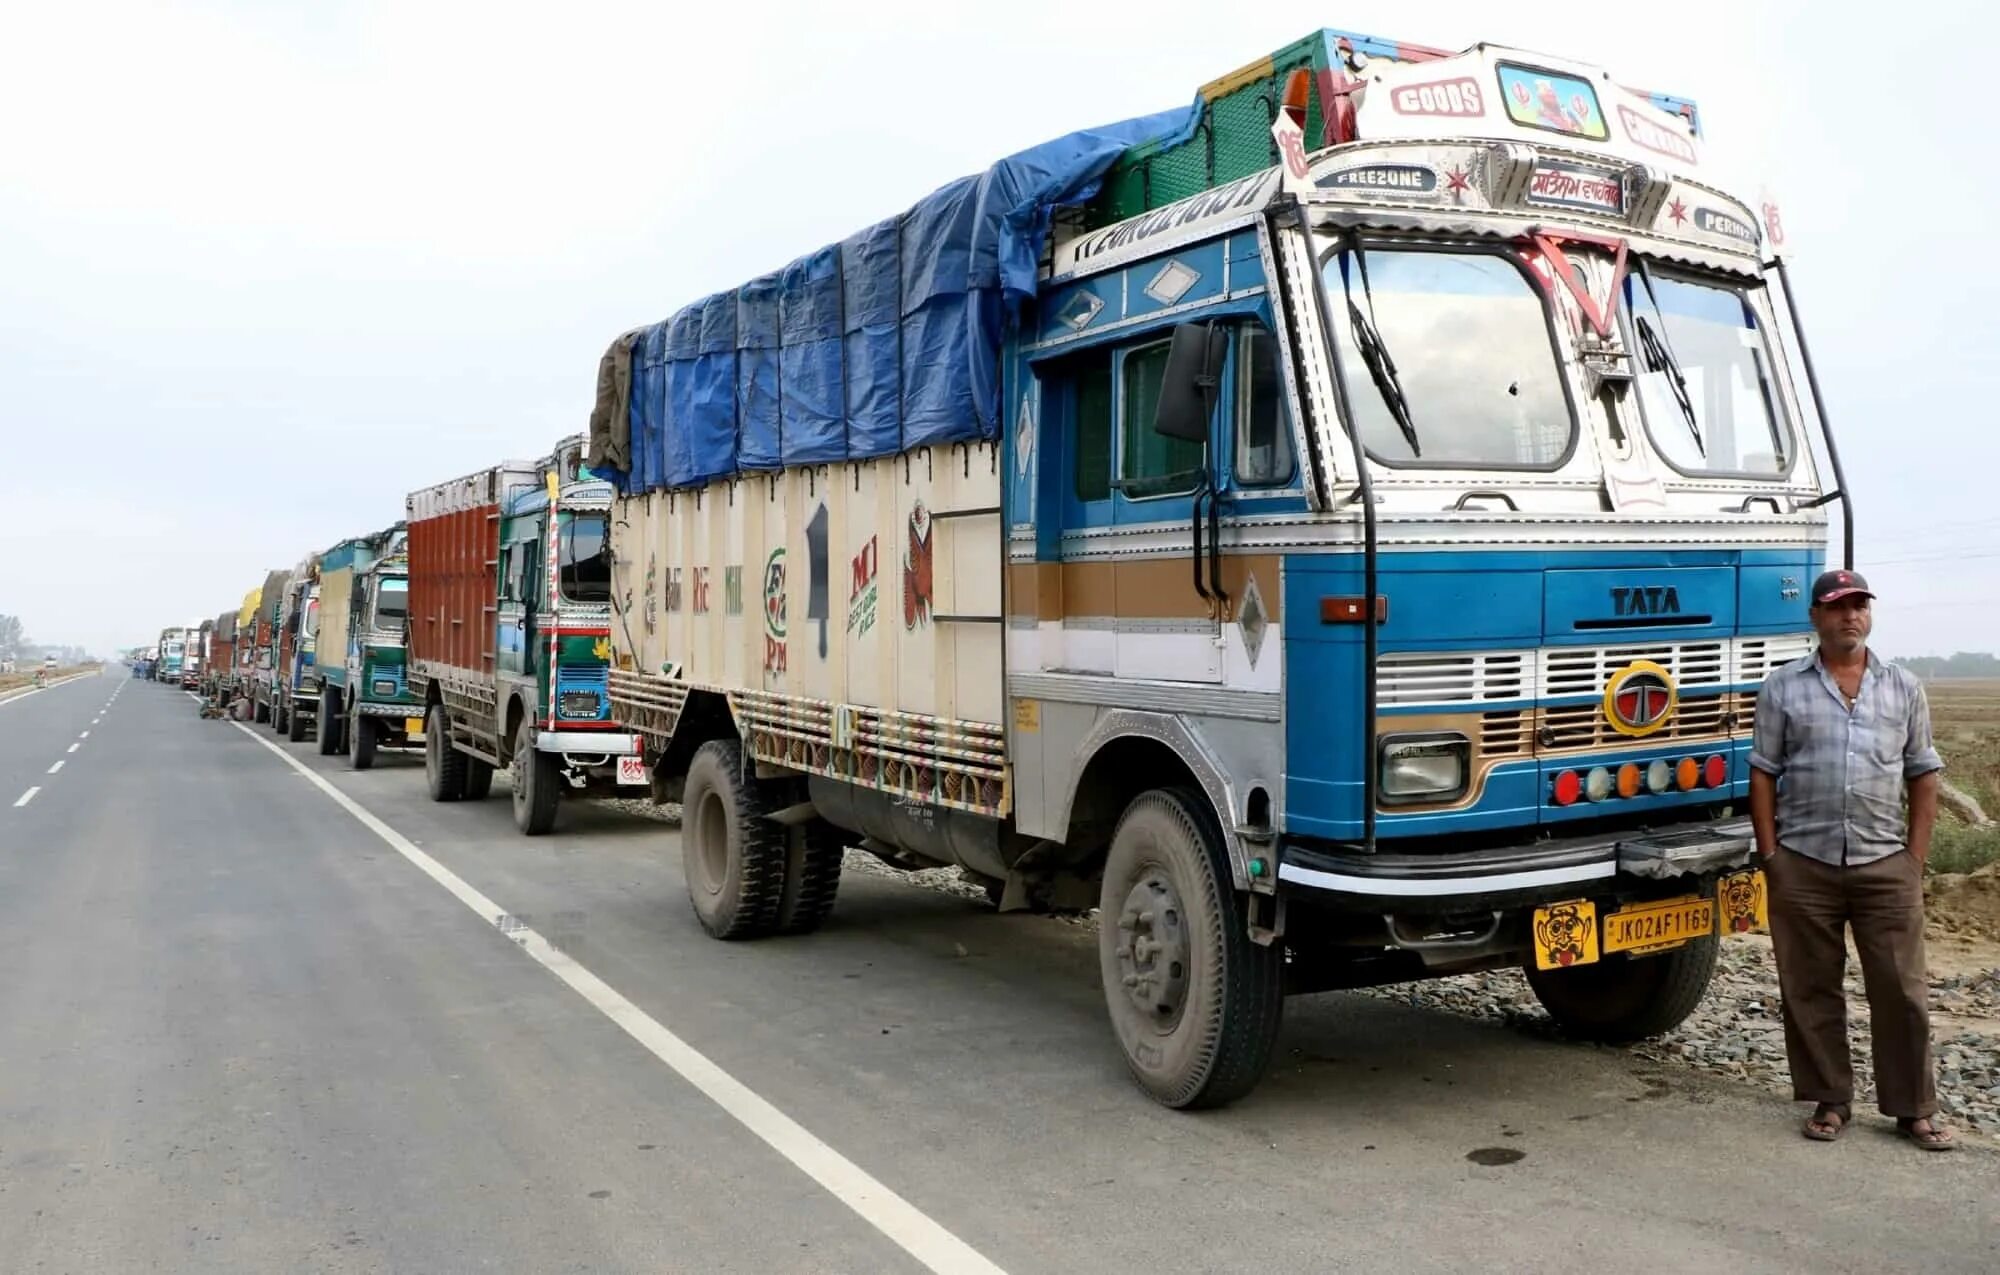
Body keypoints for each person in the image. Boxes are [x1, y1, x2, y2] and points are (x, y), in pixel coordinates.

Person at [1749, 569, 1953, 1149]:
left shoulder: (1902, 686)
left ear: (1870, 614)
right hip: (1804, 862)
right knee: (1810, 987)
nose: (1850, 616)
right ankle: (1830, 1099)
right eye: (1838, 607)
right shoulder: (1783, 687)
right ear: (1815, 616)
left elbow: (1923, 773)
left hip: (1884, 861)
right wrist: (1771, 855)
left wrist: (1914, 857)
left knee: (1902, 989)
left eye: (1860, 605)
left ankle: (1913, 1108)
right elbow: (1763, 772)